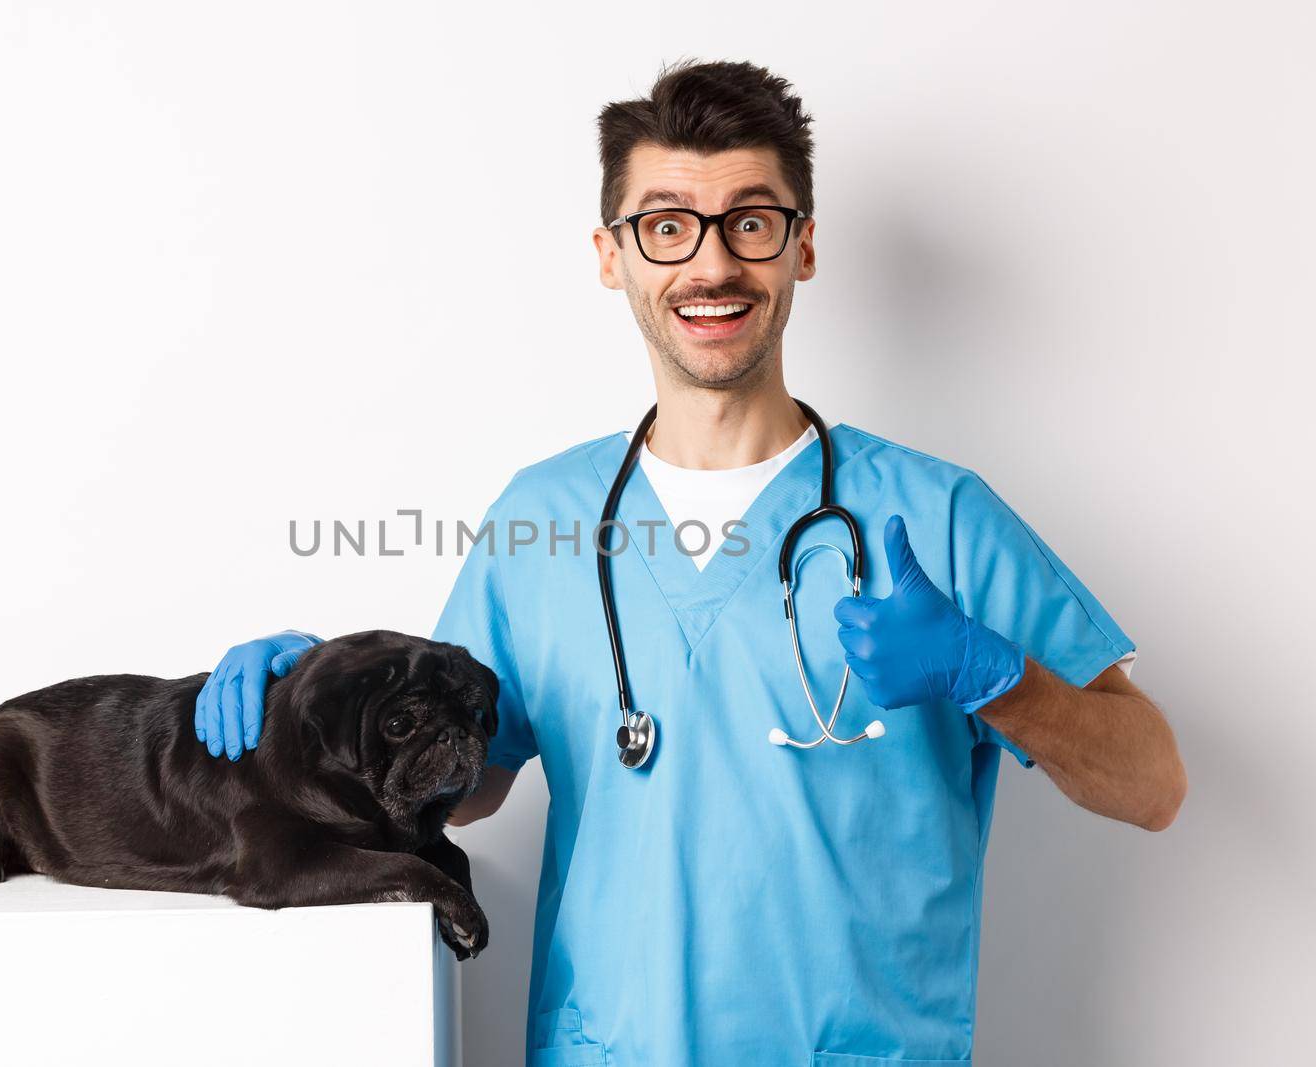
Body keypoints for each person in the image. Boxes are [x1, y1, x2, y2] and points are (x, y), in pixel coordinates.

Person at [193, 59, 1187, 1065]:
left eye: (749, 222)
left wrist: (995, 676)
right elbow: (464, 781)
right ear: (611, 255)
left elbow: (1152, 783)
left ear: (801, 248)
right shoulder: (543, 519)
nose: (710, 266)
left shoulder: (936, 515)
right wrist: (321, 702)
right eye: (667, 226)